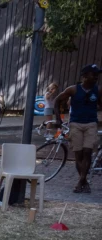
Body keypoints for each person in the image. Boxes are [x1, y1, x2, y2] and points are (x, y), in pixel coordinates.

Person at [54, 64, 102, 193]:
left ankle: (80, 181)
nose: (96, 77)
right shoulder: (73, 89)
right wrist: (58, 119)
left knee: (87, 152)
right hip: (75, 124)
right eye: (93, 74)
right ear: (84, 76)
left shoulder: (98, 90)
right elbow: (57, 100)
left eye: (97, 75)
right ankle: (84, 182)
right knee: (78, 154)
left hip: (91, 124)